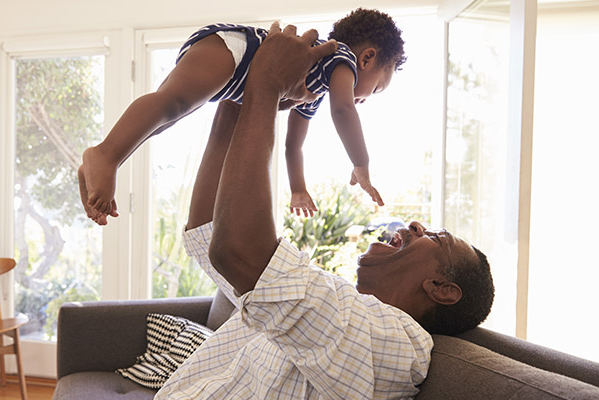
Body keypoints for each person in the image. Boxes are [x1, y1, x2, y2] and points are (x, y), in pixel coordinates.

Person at [154, 23, 495, 399]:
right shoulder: (330, 297)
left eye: (436, 238)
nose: (416, 224)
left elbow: (237, 254)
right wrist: (239, 98)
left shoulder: (401, 344)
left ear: (443, 290)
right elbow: (209, 233)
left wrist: (264, 87)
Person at [79, 8, 407, 225]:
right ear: (367, 58)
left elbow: (294, 146)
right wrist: (361, 164)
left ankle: (104, 161)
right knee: (172, 104)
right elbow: (344, 110)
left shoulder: (312, 89)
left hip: (232, 77)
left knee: (167, 117)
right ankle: (105, 155)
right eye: (376, 88)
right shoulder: (341, 58)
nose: (364, 100)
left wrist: (298, 189)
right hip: (237, 50)